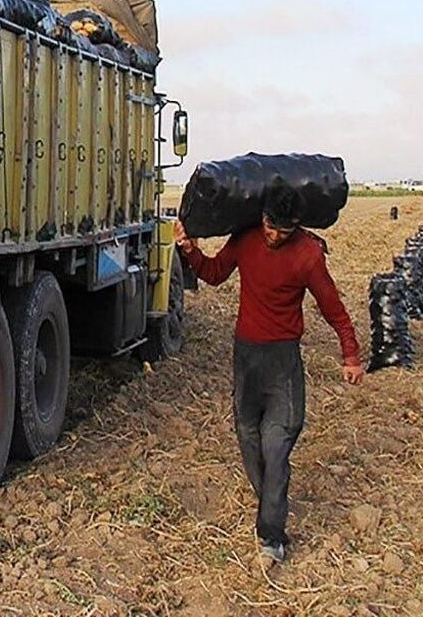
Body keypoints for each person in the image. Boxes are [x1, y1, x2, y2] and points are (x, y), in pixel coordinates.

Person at [173, 184, 363, 564]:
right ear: (262, 218)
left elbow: (332, 306)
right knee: (248, 436)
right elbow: (215, 273)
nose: (274, 236)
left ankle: (271, 536)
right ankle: (269, 502)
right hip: (246, 357)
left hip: (282, 361)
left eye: (284, 231)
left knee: (277, 443)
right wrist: (191, 250)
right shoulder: (246, 239)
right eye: (270, 227)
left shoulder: (308, 254)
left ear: (297, 226)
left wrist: (351, 354)